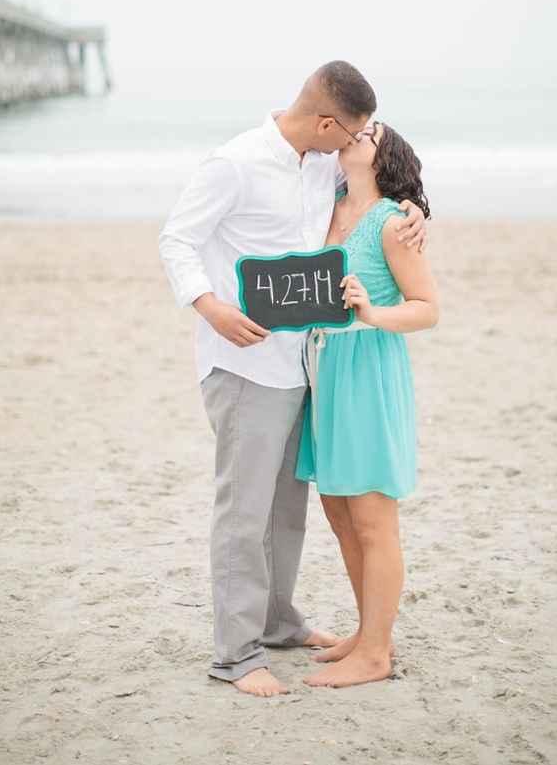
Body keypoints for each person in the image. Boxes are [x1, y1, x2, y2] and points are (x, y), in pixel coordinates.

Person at [158, 61, 428, 698]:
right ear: (328, 122)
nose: (355, 144)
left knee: (286, 510)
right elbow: (176, 240)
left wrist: (416, 210)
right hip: (245, 364)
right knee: (243, 511)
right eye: (352, 132)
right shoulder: (236, 163)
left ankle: (278, 622)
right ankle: (236, 655)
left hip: (307, 366)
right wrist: (211, 307)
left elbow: (379, 194)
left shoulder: (327, 163)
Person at [295, 119, 439, 689]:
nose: (359, 131)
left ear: (385, 158)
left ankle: (376, 653)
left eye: (372, 131)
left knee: (374, 520)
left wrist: (372, 313)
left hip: (367, 371)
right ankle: (367, 632)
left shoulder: (391, 222)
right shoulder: (324, 204)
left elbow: (427, 306)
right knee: (339, 514)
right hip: (323, 372)